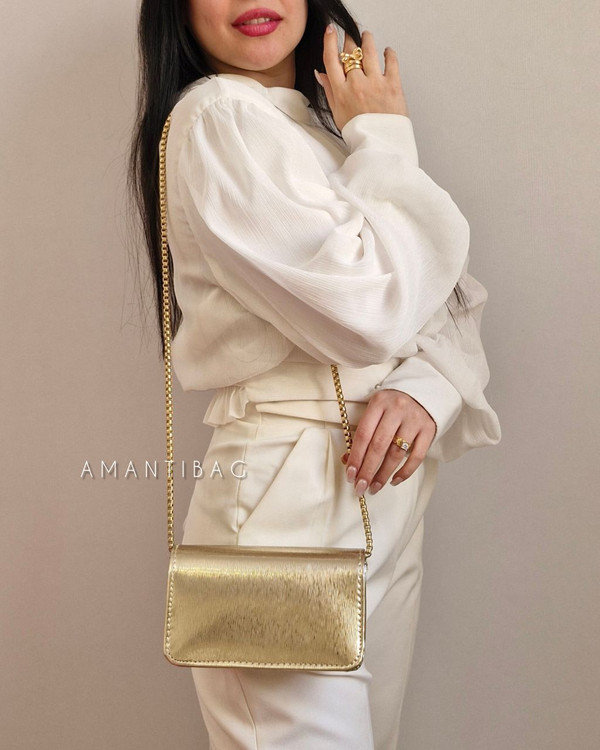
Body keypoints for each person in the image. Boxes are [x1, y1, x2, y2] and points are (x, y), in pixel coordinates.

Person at [129, 1, 502, 748]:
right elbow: (367, 310)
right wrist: (384, 136)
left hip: (381, 492)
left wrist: (424, 389)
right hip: (286, 492)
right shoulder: (220, 118)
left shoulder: (320, 131)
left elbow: (451, 298)